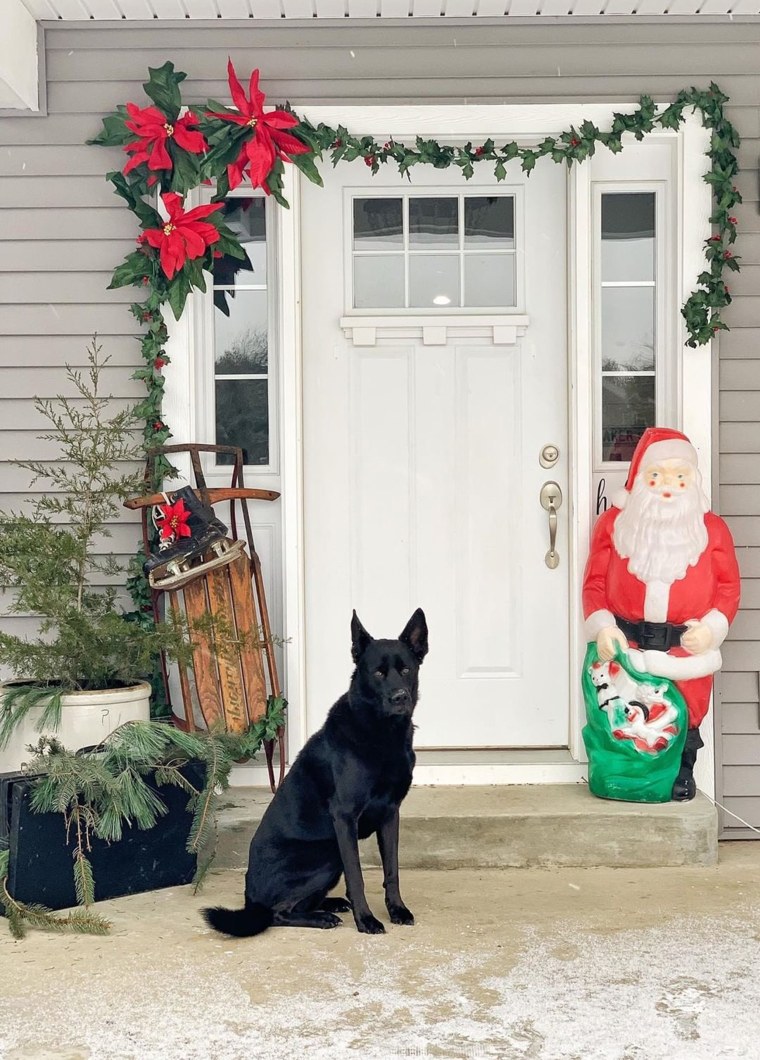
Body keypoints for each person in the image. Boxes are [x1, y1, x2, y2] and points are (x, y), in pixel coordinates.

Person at [582, 427, 741, 800]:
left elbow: (728, 588)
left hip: (684, 650)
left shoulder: (712, 531)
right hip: (628, 645)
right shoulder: (614, 527)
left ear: (693, 480)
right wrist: (603, 627)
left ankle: (679, 770)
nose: (668, 486)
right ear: (640, 481)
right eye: (657, 476)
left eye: (679, 476)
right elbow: (594, 585)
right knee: (622, 714)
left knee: (685, 712)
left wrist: (712, 628)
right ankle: (622, 774)